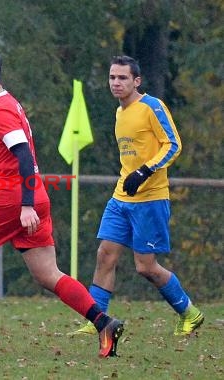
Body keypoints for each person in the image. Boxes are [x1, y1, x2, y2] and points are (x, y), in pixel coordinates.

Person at [0, 47, 124, 358]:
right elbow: (11, 156)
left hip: (12, 199)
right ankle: (104, 322)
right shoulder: (9, 103)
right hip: (32, 195)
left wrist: (25, 205)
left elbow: (24, 157)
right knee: (47, 274)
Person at [71, 55, 204, 336]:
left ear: (136, 81)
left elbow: (174, 144)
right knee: (105, 255)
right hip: (121, 197)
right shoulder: (119, 112)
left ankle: (189, 313)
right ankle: (97, 320)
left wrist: (145, 171)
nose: (116, 83)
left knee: (146, 267)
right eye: (112, 77)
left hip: (150, 199)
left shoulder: (151, 106)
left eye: (122, 78)